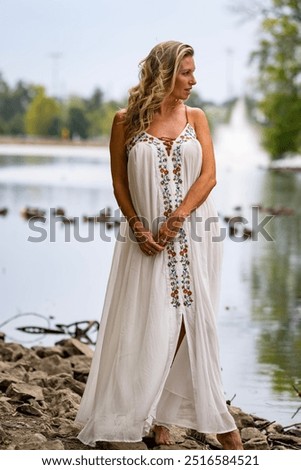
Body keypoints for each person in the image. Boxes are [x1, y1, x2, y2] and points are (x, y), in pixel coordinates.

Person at [75, 40, 243, 450]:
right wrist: (136, 225)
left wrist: (179, 216)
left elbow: (208, 177)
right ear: (165, 73)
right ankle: (141, 415)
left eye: (193, 71)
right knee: (146, 322)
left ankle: (180, 420)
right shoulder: (125, 121)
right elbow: (118, 181)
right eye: (186, 72)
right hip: (144, 240)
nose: (193, 80)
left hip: (196, 236)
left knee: (194, 324)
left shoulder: (196, 117)